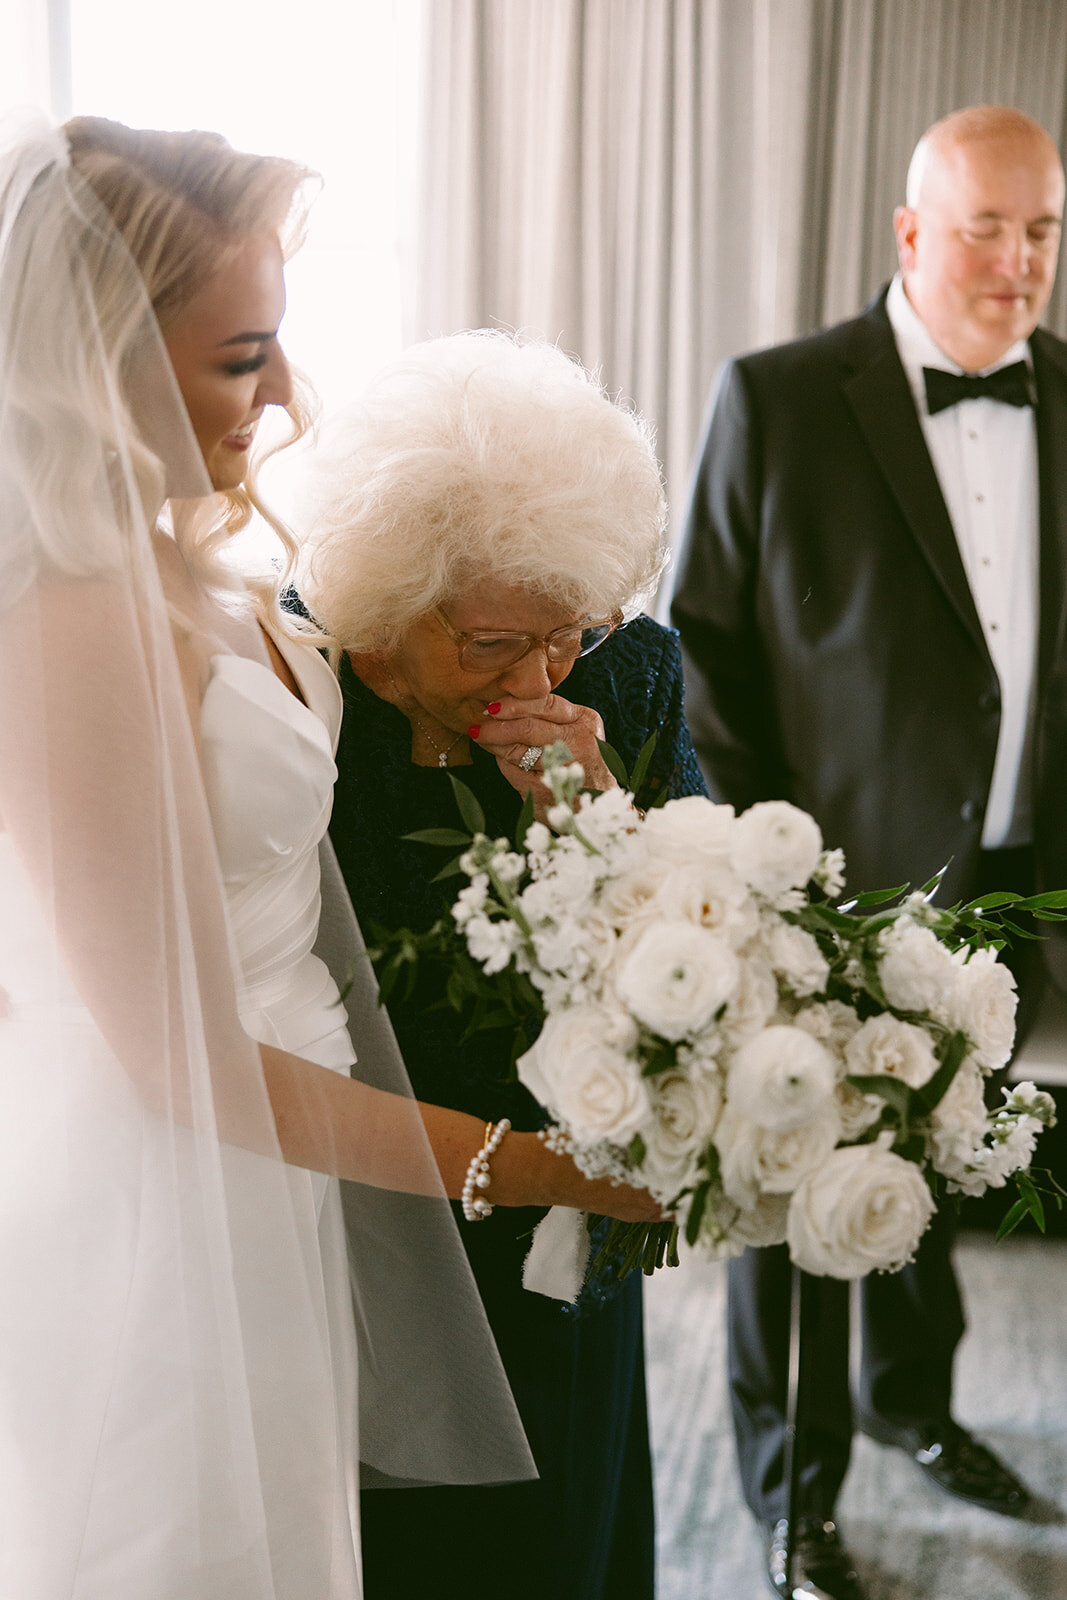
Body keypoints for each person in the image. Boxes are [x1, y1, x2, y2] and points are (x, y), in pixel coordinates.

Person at [0, 119, 659, 1600]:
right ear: (89, 365)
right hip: (162, 1200)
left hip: (276, 1185)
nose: (291, 395)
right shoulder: (68, 623)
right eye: (242, 359)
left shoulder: (203, 569)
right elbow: (179, 1059)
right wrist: (535, 1168)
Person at [671, 103, 1066, 1600]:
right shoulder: (775, 400)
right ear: (907, 232)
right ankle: (792, 1494)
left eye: (1039, 231)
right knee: (783, 1188)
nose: (1015, 262)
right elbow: (701, 641)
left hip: (1015, 881)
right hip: (824, 883)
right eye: (984, 226)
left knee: (940, 1160)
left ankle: (914, 1413)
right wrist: (768, 872)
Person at [296, 329, 708, 1600]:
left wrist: (597, 831)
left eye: (566, 635)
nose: (536, 678)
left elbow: (707, 952)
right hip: (352, 1193)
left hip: (561, 1220)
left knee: (553, 1548)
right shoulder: (298, 690)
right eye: (488, 647)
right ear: (380, 616)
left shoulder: (624, 677)